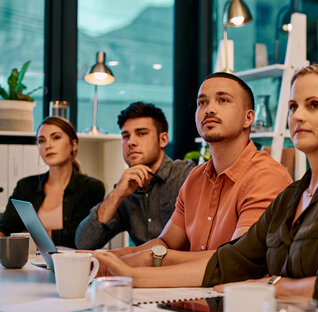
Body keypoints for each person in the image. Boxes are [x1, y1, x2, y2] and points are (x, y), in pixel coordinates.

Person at [93, 64, 318, 312]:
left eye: (313, 105)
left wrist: (269, 286)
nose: (298, 116)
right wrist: (128, 275)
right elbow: (230, 260)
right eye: (293, 107)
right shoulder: (292, 197)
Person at [91, 72, 292, 263]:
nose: (209, 109)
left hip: (229, 298)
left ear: (248, 118)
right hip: (185, 296)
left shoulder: (266, 175)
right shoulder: (196, 177)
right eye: (202, 102)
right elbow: (165, 243)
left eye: (223, 100)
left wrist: (151, 261)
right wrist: (105, 258)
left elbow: (235, 261)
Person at [75, 102, 195, 249]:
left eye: (141, 133)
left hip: (182, 269)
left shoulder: (186, 176)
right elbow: (84, 243)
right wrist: (117, 194)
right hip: (139, 270)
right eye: (126, 136)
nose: (131, 142)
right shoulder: (125, 189)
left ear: (163, 140)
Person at [0, 117, 105, 248]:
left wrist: (27, 236)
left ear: (73, 144)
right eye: (41, 141)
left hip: (72, 264)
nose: (48, 145)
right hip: (29, 264)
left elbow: (79, 237)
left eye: (56, 137)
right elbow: (5, 228)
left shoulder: (91, 187)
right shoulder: (25, 185)